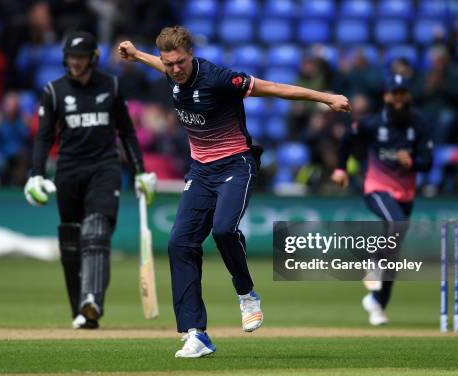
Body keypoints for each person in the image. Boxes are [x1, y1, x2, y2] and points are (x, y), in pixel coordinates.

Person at [118, 26, 350, 358]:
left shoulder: (218, 78)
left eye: (179, 63)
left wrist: (325, 98)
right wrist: (139, 56)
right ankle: (196, 334)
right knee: (179, 243)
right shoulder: (172, 73)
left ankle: (246, 294)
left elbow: (272, 88)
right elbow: (162, 65)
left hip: (235, 165)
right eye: (168, 64)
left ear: (191, 55)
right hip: (200, 171)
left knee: (224, 229)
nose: (173, 70)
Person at [24, 31, 156, 330]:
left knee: (96, 230)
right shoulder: (54, 91)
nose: (75, 62)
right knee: (71, 243)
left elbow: (127, 132)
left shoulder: (111, 85)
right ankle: (81, 312)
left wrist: (140, 171)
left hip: (104, 168)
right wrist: (35, 175)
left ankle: (92, 300)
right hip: (69, 172)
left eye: (81, 57)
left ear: (93, 58)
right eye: (71, 57)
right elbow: (43, 137)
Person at [331, 74, 434, 326]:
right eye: (393, 93)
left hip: (406, 193)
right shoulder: (373, 123)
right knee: (398, 223)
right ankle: (374, 261)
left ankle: (377, 302)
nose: (398, 99)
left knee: (394, 251)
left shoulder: (420, 124)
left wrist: (412, 163)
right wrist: (341, 168)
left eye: (402, 93)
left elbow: (428, 162)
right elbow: (347, 138)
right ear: (386, 96)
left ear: (408, 95)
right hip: (377, 188)